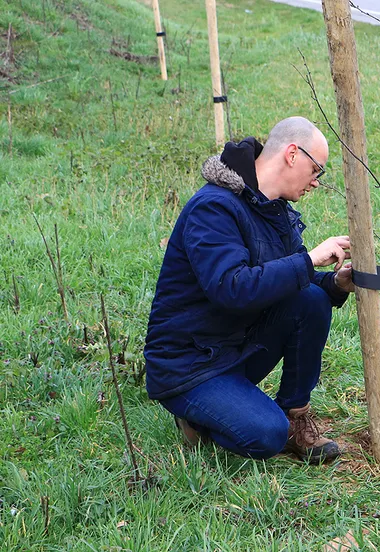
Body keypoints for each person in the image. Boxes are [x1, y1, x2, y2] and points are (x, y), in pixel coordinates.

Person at [143, 116, 354, 463]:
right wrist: (309, 260)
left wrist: (334, 283)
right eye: (317, 169)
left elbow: (287, 279)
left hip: (234, 346)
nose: (317, 182)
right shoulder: (213, 208)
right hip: (191, 363)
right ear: (291, 154)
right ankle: (195, 416)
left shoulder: (274, 210)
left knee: (313, 298)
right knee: (267, 435)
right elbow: (232, 287)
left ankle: (295, 418)